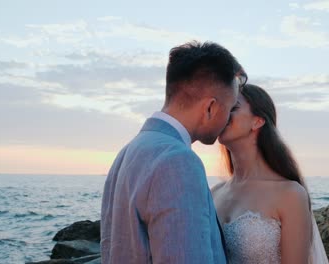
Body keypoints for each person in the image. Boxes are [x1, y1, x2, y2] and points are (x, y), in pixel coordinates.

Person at [101, 41, 247, 263]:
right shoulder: (178, 161)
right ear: (210, 108)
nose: (227, 119)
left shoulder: (128, 153)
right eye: (229, 108)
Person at [212, 84, 328, 264]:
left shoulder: (290, 194)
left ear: (257, 121)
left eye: (233, 107)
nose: (222, 113)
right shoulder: (214, 193)